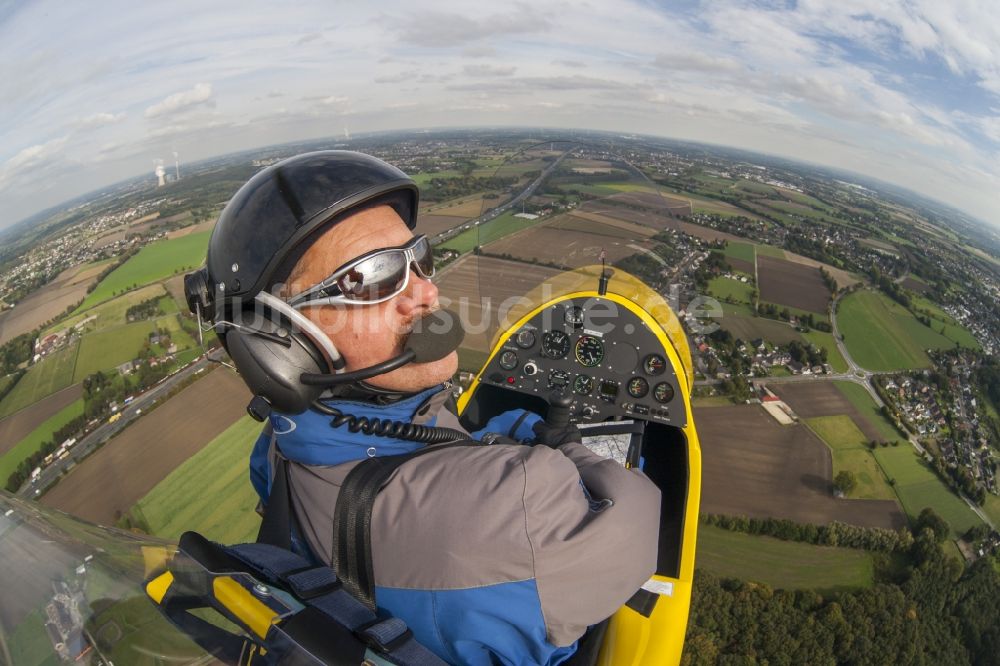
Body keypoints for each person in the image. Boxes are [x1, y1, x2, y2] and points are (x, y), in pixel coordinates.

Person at [193, 150, 661, 666]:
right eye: (372, 277)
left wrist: (510, 434)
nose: (428, 292)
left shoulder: (278, 450)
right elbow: (635, 517)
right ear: (280, 345)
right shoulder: (512, 512)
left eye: (419, 257)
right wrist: (565, 449)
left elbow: (433, 449)